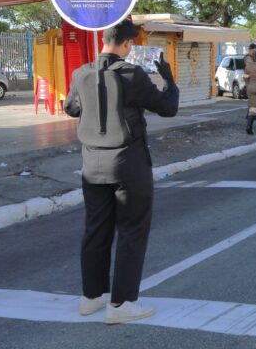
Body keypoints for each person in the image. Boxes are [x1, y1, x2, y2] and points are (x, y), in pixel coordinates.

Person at [64, 19, 179, 324]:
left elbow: (71, 108)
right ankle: (121, 303)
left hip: (91, 164)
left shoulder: (80, 73)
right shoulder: (132, 73)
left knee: (95, 231)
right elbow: (168, 107)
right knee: (131, 232)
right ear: (128, 45)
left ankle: (92, 298)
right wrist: (169, 79)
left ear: (104, 41)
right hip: (129, 164)